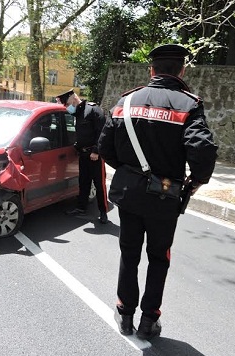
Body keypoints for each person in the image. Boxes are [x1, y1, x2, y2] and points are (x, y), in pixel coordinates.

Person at [98, 44, 218, 339]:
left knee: (129, 253)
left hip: (128, 192)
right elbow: (203, 149)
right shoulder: (188, 105)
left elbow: (104, 147)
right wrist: (195, 182)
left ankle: (125, 313)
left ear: (151, 70)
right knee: (158, 257)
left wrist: (127, 170)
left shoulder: (126, 101)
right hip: (164, 196)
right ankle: (149, 320)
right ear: (182, 70)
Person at [56, 89, 109, 224]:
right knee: (83, 182)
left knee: (99, 184)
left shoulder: (93, 110)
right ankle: (81, 208)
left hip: (95, 155)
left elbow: (103, 133)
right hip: (83, 154)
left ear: (73, 98)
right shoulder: (78, 113)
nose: (67, 108)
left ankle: (103, 212)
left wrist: (97, 151)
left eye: (67, 104)